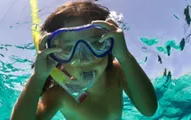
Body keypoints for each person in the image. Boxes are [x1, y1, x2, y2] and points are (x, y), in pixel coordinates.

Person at [11, 1, 158, 120]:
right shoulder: (60, 94)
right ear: (55, 56)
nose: (85, 59)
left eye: (96, 43)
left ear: (110, 43)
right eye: (69, 48)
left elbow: (149, 110)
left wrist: (124, 56)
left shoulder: (116, 72)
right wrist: (38, 78)